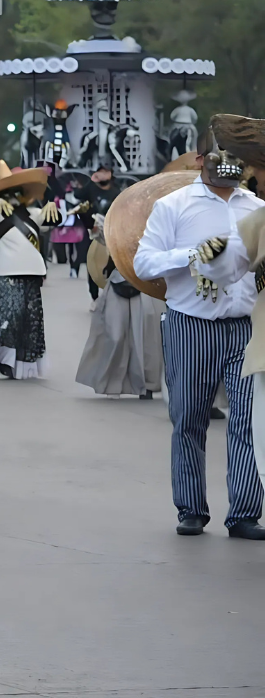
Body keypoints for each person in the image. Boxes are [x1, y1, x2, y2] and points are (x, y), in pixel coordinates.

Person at [132, 116, 265, 539]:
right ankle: (190, 507)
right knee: (188, 418)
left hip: (245, 327)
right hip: (191, 324)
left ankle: (244, 512)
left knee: (247, 421)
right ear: (200, 158)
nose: (230, 165)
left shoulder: (257, 208)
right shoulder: (173, 206)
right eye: (221, 156)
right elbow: (143, 262)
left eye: (238, 159)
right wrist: (192, 254)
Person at [0, 160, 60, 379]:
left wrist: (52, 207)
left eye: (18, 192)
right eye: (9, 192)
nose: (14, 196)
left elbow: (54, 221)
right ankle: (4, 359)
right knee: (6, 316)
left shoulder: (35, 213)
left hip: (31, 273)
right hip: (3, 272)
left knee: (28, 320)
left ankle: (22, 363)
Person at [76, 215, 164, 398]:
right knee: (114, 335)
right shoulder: (117, 226)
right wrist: (90, 224)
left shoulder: (158, 227)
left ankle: (147, 385)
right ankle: (112, 383)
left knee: (146, 338)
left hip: (146, 285)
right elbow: (101, 234)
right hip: (118, 283)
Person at [74, 164, 121, 305]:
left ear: (111, 174)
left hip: (111, 231)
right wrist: (91, 181)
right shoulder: (91, 188)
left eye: (105, 172)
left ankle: (109, 293)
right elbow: (77, 195)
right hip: (92, 231)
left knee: (111, 262)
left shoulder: (116, 191)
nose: (102, 175)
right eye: (99, 172)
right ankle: (94, 296)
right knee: (93, 262)